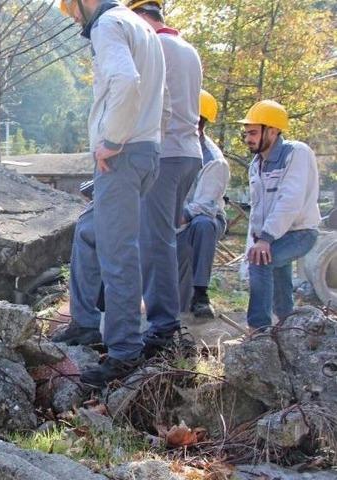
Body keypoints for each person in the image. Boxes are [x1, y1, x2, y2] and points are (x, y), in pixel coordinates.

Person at [54, 0, 166, 386]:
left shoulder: (107, 25)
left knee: (118, 254)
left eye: (74, 11)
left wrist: (112, 140)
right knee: (89, 235)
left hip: (123, 153)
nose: (75, 20)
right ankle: (85, 323)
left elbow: (126, 81)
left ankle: (123, 352)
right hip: (146, 149)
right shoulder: (141, 26)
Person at [127, 0, 204, 354]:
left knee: (155, 242)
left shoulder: (154, 45)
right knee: (166, 238)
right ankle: (163, 314)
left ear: (142, 17)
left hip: (167, 153)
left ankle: (163, 325)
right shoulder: (187, 49)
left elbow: (139, 98)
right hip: (189, 153)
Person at [240, 100, 320, 331]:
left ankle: (258, 330)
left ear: (273, 130)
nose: (248, 139)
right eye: (246, 134)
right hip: (273, 235)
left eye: (253, 133)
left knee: (261, 262)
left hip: (300, 232)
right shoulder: (256, 165)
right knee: (275, 269)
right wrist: (257, 242)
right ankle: (288, 326)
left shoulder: (296, 153)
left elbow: (290, 200)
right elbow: (257, 213)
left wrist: (265, 239)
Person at [176, 90, 230, 318]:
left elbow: (202, 205)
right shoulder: (170, 146)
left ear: (197, 122)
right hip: (174, 220)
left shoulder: (214, 161)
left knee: (203, 225)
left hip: (200, 219)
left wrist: (168, 219)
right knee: (175, 300)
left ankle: (201, 294)